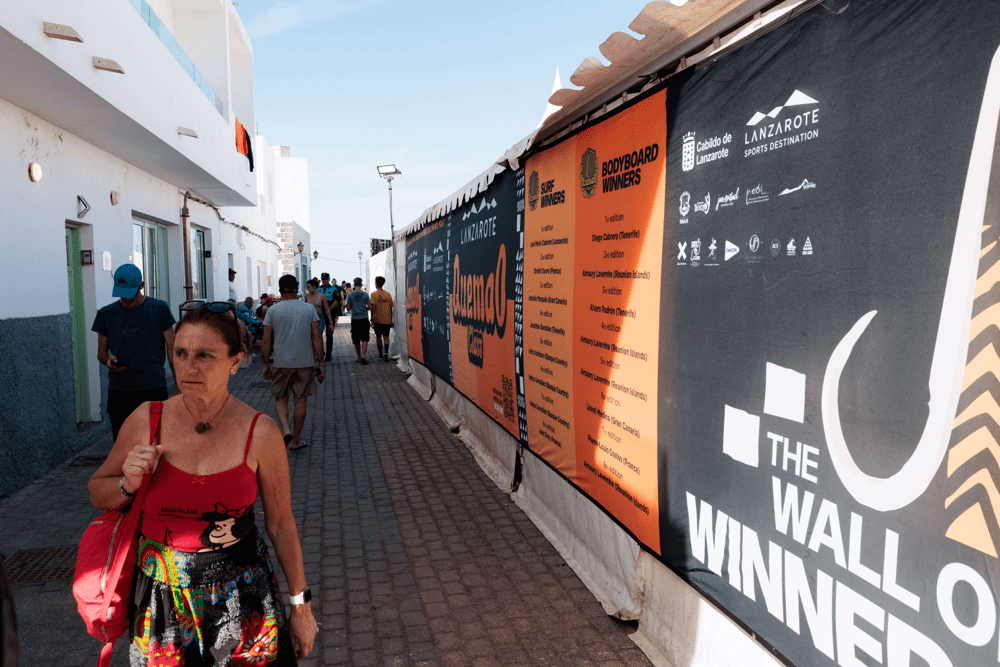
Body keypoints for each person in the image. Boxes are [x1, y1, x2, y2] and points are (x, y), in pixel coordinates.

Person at [87, 303, 317, 664]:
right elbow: (98, 491)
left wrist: (301, 607)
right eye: (181, 353)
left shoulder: (260, 432)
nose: (189, 366)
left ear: (235, 362)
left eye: (204, 355)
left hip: (243, 598)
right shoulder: (147, 420)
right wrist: (127, 485)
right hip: (161, 603)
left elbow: (280, 524)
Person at [92, 264, 176, 442]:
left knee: (156, 442)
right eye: (121, 294)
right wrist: (107, 360)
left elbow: (172, 350)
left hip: (153, 388)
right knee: (123, 444)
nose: (126, 299)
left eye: (130, 293)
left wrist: (180, 386)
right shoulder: (106, 314)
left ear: (142, 285)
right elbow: (101, 353)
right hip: (120, 391)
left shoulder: (160, 309)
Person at [262, 275, 324, 450]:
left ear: (280, 290)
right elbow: (316, 337)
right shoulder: (309, 309)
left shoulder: (273, 311)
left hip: (281, 363)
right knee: (300, 401)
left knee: (281, 398)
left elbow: (266, 340)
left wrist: (266, 365)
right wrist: (320, 362)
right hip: (305, 362)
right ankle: (295, 440)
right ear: (297, 289)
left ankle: (286, 429)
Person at [345, 277, 371, 365]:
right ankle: (364, 356)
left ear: (354, 284)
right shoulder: (365, 294)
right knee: (365, 337)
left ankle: (359, 357)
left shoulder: (350, 295)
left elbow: (348, 308)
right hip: (364, 318)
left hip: (355, 319)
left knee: (356, 338)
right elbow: (370, 306)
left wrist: (354, 307)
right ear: (361, 284)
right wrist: (364, 308)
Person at [303, 279, 333, 353]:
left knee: (318, 335)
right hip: (309, 318)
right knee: (312, 336)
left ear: (314, 286)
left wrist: (331, 323)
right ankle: (316, 353)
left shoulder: (322, 296)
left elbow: (327, 309)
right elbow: (305, 309)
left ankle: (320, 353)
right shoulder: (306, 296)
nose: (307, 289)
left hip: (319, 318)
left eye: (309, 287)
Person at [370, 276, 394, 362]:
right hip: (387, 319)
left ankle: (380, 354)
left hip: (378, 319)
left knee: (378, 337)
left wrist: (372, 319)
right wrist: (391, 320)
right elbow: (391, 307)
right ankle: (386, 352)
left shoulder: (373, 294)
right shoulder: (388, 294)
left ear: (376, 283)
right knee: (386, 336)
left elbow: (372, 308)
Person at [318, 274, 341, 361]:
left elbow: (336, 301)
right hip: (320, 314)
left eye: (326, 279)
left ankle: (328, 354)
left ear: (329, 279)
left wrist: (329, 309)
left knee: (329, 335)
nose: (324, 280)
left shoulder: (334, 289)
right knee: (318, 335)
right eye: (323, 279)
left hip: (330, 314)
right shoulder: (318, 289)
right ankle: (321, 352)